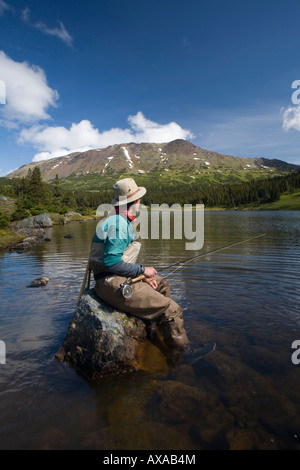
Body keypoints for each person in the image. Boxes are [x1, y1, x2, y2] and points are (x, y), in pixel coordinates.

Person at [89, 177, 215, 364]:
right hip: (110, 282)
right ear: (134, 202)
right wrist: (142, 270)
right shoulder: (119, 225)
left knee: (162, 285)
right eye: (140, 199)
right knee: (172, 309)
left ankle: (159, 331)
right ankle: (182, 353)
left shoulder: (117, 219)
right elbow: (110, 262)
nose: (141, 203)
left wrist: (143, 276)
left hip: (114, 276)